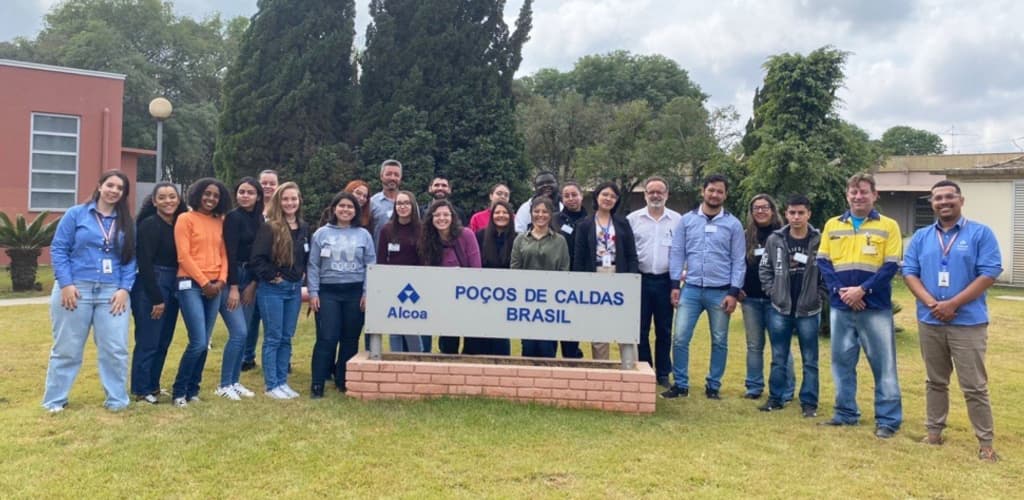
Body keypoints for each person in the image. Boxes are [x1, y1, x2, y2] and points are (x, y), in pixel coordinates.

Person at [903, 180, 1002, 462]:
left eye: (949, 197)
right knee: (935, 381)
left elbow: (990, 272)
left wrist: (953, 304)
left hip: (968, 321)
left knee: (974, 385)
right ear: (931, 203)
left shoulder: (981, 233)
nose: (944, 202)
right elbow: (909, 271)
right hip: (930, 320)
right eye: (938, 198)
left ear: (961, 200)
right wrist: (933, 304)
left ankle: (985, 443)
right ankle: (933, 433)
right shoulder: (922, 237)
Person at [817, 173, 903, 439]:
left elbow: (891, 265)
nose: (858, 196)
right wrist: (840, 291)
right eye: (853, 192)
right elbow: (823, 261)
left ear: (874, 195)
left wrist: (862, 290)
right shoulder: (832, 225)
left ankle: (888, 419)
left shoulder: (888, 226)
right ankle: (845, 414)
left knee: (883, 364)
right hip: (841, 306)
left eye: (864, 192)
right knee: (841, 363)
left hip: (874, 306)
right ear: (847, 195)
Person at [43, 171, 136, 413]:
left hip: (112, 293)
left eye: (120, 188)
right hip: (76, 290)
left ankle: (117, 400)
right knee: (67, 348)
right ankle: (54, 401)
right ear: (100, 186)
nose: (114, 190)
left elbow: (129, 259)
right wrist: (65, 284)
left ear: (124, 194)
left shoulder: (126, 222)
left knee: (115, 348)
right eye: (110, 185)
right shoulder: (76, 214)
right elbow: (59, 249)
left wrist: (125, 289)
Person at [662, 174, 745, 400]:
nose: (715, 195)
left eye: (720, 191)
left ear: (725, 195)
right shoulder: (687, 221)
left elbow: (739, 260)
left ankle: (713, 385)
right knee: (680, 337)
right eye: (711, 190)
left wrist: (733, 292)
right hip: (691, 289)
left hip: (720, 291)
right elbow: (677, 253)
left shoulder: (733, 224)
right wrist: (675, 285)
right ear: (703, 191)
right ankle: (680, 384)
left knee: (719, 340)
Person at [171, 178, 247, 407]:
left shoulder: (219, 221)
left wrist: (221, 281)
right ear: (197, 194)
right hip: (191, 285)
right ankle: (179, 392)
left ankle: (194, 390)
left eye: (215, 195)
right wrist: (205, 282)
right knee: (198, 341)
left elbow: (225, 254)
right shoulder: (185, 219)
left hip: (215, 286)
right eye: (207, 194)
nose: (211, 198)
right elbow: (183, 256)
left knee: (204, 342)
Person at [758, 195, 823, 418]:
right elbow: (764, 269)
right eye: (792, 213)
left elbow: (826, 271)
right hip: (781, 307)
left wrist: (819, 295)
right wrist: (773, 292)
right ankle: (776, 398)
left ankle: (809, 403)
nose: (796, 217)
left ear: (808, 214)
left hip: (809, 309)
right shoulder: (776, 239)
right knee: (778, 357)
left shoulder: (819, 240)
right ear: (786, 214)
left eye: (801, 213)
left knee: (810, 359)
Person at [308, 191, 376, 397]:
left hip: (354, 292)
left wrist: (367, 292)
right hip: (328, 293)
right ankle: (318, 383)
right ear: (334, 209)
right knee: (327, 338)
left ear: (356, 211)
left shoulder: (364, 235)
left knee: (350, 338)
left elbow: (370, 265)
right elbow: (313, 265)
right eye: (342, 206)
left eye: (350, 207)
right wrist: (313, 292)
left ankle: (343, 379)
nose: (345, 210)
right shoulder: (321, 234)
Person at [250, 182, 310, 399]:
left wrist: (301, 273)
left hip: (294, 290)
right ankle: (272, 385)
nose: (290, 203)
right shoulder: (270, 227)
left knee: (286, 337)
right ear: (278, 201)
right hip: (273, 290)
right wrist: (273, 275)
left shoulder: (303, 226)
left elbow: (305, 255)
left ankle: (283, 381)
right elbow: (257, 259)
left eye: (293, 198)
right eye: (285, 199)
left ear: (299, 200)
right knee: (273, 337)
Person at [129, 182, 186, 404]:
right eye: (162, 198)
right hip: (152, 285)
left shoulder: (179, 224)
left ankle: (153, 385)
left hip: (174, 284)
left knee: (164, 340)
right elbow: (145, 263)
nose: (168, 201)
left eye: (172, 197)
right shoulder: (149, 225)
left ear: (178, 199)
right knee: (148, 340)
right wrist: (156, 298)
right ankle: (141, 390)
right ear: (154, 201)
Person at [572, 182, 639, 360]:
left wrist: (631, 280)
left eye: (612, 196)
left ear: (616, 200)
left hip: (619, 274)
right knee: (598, 325)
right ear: (596, 196)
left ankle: (630, 367)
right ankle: (602, 369)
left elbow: (632, 255)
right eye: (605, 195)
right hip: (595, 276)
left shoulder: (623, 223)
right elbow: (578, 258)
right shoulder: (584, 224)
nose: (608, 199)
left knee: (624, 324)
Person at [627, 176, 681, 387]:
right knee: (640, 329)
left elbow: (680, 252)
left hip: (666, 281)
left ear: (667, 195)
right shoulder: (633, 219)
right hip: (640, 279)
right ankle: (644, 367)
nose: (656, 195)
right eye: (652, 192)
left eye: (660, 192)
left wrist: (677, 283)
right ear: (645, 195)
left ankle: (663, 373)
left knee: (664, 329)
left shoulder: (678, 220)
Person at [739, 194, 794, 400]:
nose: (760, 211)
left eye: (764, 207)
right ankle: (754, 386)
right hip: (750, 299)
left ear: (773, 210)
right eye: (756, 208)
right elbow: (738, 263)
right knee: (754, 345)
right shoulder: (746, 236)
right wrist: (738, 288)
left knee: (781, 346)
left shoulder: (785, 234)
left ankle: (786, 390)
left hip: (777, 300)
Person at [219, 177, 263, 397]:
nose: (245, 196)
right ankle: (224, 384)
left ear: (258, 196)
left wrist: (253, 284)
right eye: (241, 192)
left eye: (250, 192)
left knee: (244, 335)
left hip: (252, 279)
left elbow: (261, 254)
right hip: (233, 277)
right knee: (238, 332)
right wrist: (234, 286)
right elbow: (230, 253)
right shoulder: (233, 218)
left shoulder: (260, 219)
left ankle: (235, 381)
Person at [419, 199, 481, 354]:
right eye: (437, 215)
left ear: (452, 217)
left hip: (468, 296)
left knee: (472, 346)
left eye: (446, 214)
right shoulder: (428, 239)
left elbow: (476, 267)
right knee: (448, 347)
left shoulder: (466, 234)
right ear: (431, 219)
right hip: (444, 300)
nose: (442, 218)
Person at [511, 197, 570, 357]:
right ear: (531, 214)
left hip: (551, 303)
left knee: (548, 348)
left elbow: (564, 270)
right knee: (528, 347)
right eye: (536, 211)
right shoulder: (520, 240)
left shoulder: (560, 241)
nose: (540, 215)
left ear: (551, 215)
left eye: (545, 211)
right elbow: (515, 269)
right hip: (526, 302)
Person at [376, 190, 425, 353]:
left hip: (416, 284)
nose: (402, 207)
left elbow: (425, 259)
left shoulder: (422, 229)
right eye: (399, 203)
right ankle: (395, 361)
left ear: (413, 206)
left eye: (406, 203)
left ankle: (418, 361)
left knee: (411, 328)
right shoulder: (387, 230)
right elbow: (381, 259)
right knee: (395, 328)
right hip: (393, 284)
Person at [468, 200, 515, 355]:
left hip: (506, 296)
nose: (501, 215)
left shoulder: (517, 238)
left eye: (504, 212)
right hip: (481, 295)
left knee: (500, 341)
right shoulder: (479, 236)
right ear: (491, 215)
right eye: (497, 212)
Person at [243, 169, 279, 368]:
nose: (267, 186)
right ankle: (247, 357)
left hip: (273, 271)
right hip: (251, 269)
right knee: (250, 316)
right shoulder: (251, 210)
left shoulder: (282, 208)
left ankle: (277, 358)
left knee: (273, 319)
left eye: (272, 183)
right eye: (264, 183)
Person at [557, 181, 587, 359]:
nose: (571, 199)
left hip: (581, 277)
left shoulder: (591, 220)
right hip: (558, 276)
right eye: (566, 196)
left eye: (574, 194)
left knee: (574, 321)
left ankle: (572, 356)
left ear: (581, 196)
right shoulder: (554, 219)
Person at [370, 159, 403, 244]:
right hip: (378, 255)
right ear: (381, 176)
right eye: (388, 174)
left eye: (396, 175)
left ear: (400, 178)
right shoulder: (372, 203)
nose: (392, 178)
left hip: (404, 256)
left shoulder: (409, 202)